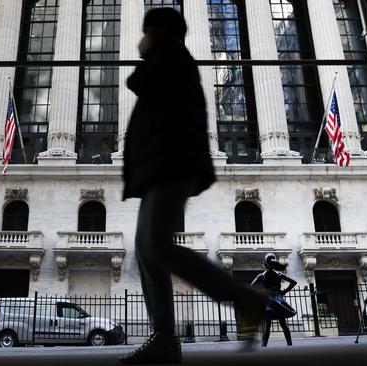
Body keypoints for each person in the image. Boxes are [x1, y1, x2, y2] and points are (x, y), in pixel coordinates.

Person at [120, 7, 267, 364]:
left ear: (158, 31)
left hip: (171, 164)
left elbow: (139, 83)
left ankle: (243, 297)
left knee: (156, 246)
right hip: (163, 166)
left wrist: (149, 52)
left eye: (147, 30)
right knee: (145, 249)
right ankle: (165, 338)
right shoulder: (171, 58)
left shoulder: (169, 57)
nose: (142, 37)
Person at [251, 254, 297, 347]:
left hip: (268, 301)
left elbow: (252, 286)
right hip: (279, 301)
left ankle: (264, 345)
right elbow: (293, 282)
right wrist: (284, 292)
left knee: (267, 325)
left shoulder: (261, 276)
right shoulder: (279, 275)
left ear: (265, 264)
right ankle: (289, 344)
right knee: (283, 324)